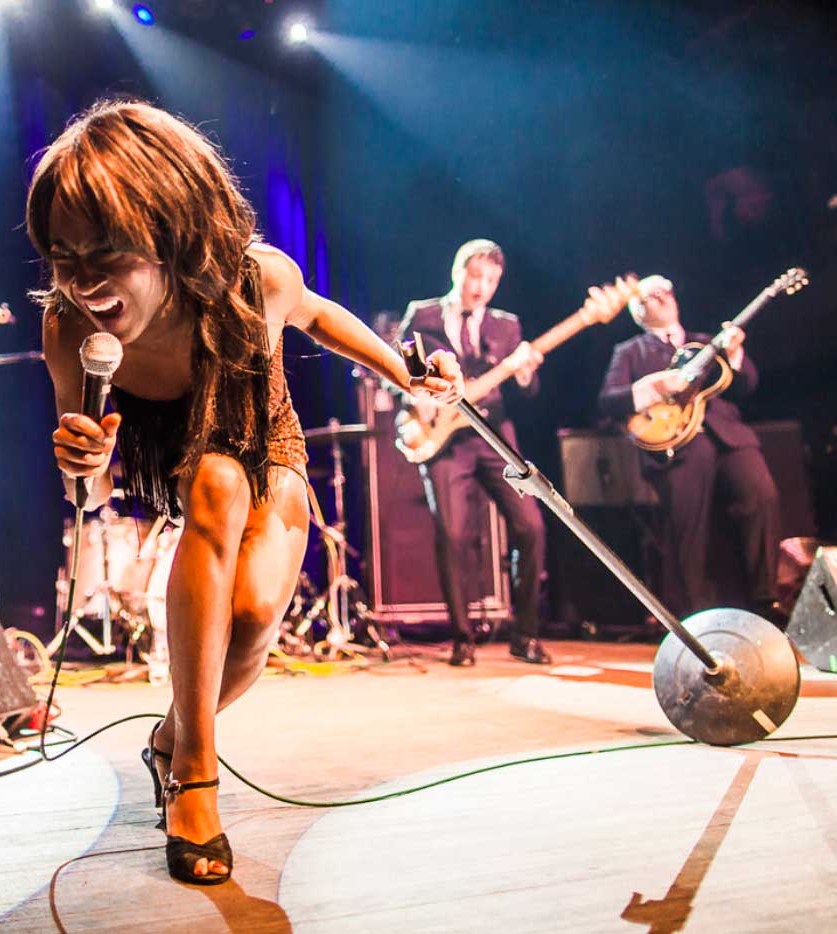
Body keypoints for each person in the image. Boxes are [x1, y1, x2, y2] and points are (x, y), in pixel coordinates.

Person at [27, 100, 463, 885]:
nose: (84, 282)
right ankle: (195, 771)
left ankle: (171, 736)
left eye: (109, 255)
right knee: (216, 484)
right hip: (176, 454)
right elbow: (87, 491)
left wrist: (404, 373)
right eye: (65, 258)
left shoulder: (256, 280)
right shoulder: (69, 330)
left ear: (171, 232)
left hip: (263, 432)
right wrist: (84, 463)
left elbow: (318, 315)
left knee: (257, 614)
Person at [396, 240, 551, 667]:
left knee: (531, 527)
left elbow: (528, 391)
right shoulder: (423, 314)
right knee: (452, 535)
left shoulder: (507, 326)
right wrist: (416, 397)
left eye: (492, 280)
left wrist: (525, 375)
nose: (481, 287)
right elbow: (395, 366)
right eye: (476, 276)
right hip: (444, 440)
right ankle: (462, 638)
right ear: (458, 271)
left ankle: (526, 634)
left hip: (493, 434)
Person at [597, 274, 780, 621]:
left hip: (728, 435)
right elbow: (608, 401)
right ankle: (692, 616)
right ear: (637, 311)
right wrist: (654, 387)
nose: (662, 297)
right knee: (687, 524)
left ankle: (765, 600)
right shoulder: (631, 352)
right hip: (679, 444)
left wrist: (735, 353)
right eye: (650, 295)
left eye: (665, 291)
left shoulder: (705, 342)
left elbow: (746, 386)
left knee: (761, 493)